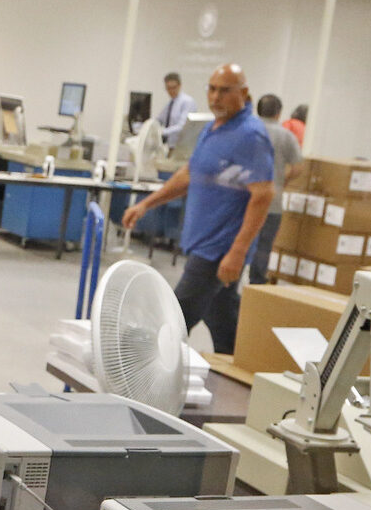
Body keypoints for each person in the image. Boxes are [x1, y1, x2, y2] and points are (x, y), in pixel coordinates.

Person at [123, 63, 275, 354]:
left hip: (218, 249)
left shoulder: (250, 136)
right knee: (222, 318)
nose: (216, 97)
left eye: (225, 91)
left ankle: (145, 382)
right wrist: (145, 204)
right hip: (201, 241)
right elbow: (189, 174)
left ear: (243, 93)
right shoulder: (213, 128)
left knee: (174, 317)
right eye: (212, 89)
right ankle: (239, 377)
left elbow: (263, 196)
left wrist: (238, 252)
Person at [248, 93, 305, 284]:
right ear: (279, 113)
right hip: (272, 202)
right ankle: (256, 286)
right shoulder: (286, 136)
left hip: (244, 200)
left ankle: (228, 285)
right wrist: (282, 180)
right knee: (264, 246)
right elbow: (298, 167)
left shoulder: (247, 131)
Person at [155, 71, 197, 148]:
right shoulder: (171, 103)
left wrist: (161, 132)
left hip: (181, 147)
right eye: (168, 88)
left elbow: (182, 126)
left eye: (173, 87)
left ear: (179, 85)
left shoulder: (187, 102)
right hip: (170, 145)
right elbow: (159, 119)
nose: (171, 91)